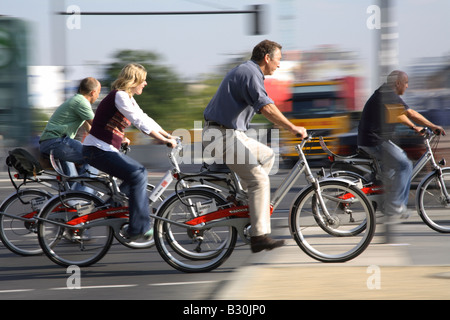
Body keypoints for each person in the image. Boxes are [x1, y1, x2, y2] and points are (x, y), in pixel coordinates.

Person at [203, 40, 307, 253]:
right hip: (221, 135)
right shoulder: (249, 73)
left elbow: (265, 107)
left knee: (268, 155)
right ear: (267, 58)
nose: (279, 65)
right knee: (259, 180)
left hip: (229, 133)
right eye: (278, 60)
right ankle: (259, 236)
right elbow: (267, 108)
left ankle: (242, 200)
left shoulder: (250, 72)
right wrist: (291, 127)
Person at [82, 63, 176, 241]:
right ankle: (137, 228)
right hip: (97, 150)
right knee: (138, 174)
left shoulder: (128, 98)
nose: (146, 83)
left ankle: (112, 207)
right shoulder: (120, 96)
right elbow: (138, 122)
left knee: (134, 176)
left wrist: (167, 135)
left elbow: (145, 117)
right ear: (134, 80)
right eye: (143, 79)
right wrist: (163, 140)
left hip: (103, 149)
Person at [358, 70, 445, 219]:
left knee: (393, 170)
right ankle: (396, 206)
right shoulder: (388, 94)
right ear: (397, 83)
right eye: (406, 83)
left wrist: (414, 127)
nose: (407, 86)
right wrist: (432, 125)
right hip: (374, 140)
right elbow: (410, 113)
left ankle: (385, 202)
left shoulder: (385, 94)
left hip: (373, 139)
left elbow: (399, 115)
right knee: (404, 165)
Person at [39, 77, 101, 191]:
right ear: (93, 92)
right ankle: (82, 198)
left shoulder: (77, 101)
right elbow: (99, 126)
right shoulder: (81, 102)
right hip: (56, 141)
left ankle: (70, 201)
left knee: (72, 181)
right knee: (94, 158)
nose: (98, 96)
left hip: (51, 142)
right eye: (98, 93)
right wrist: (118, 138)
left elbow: (91, 130)